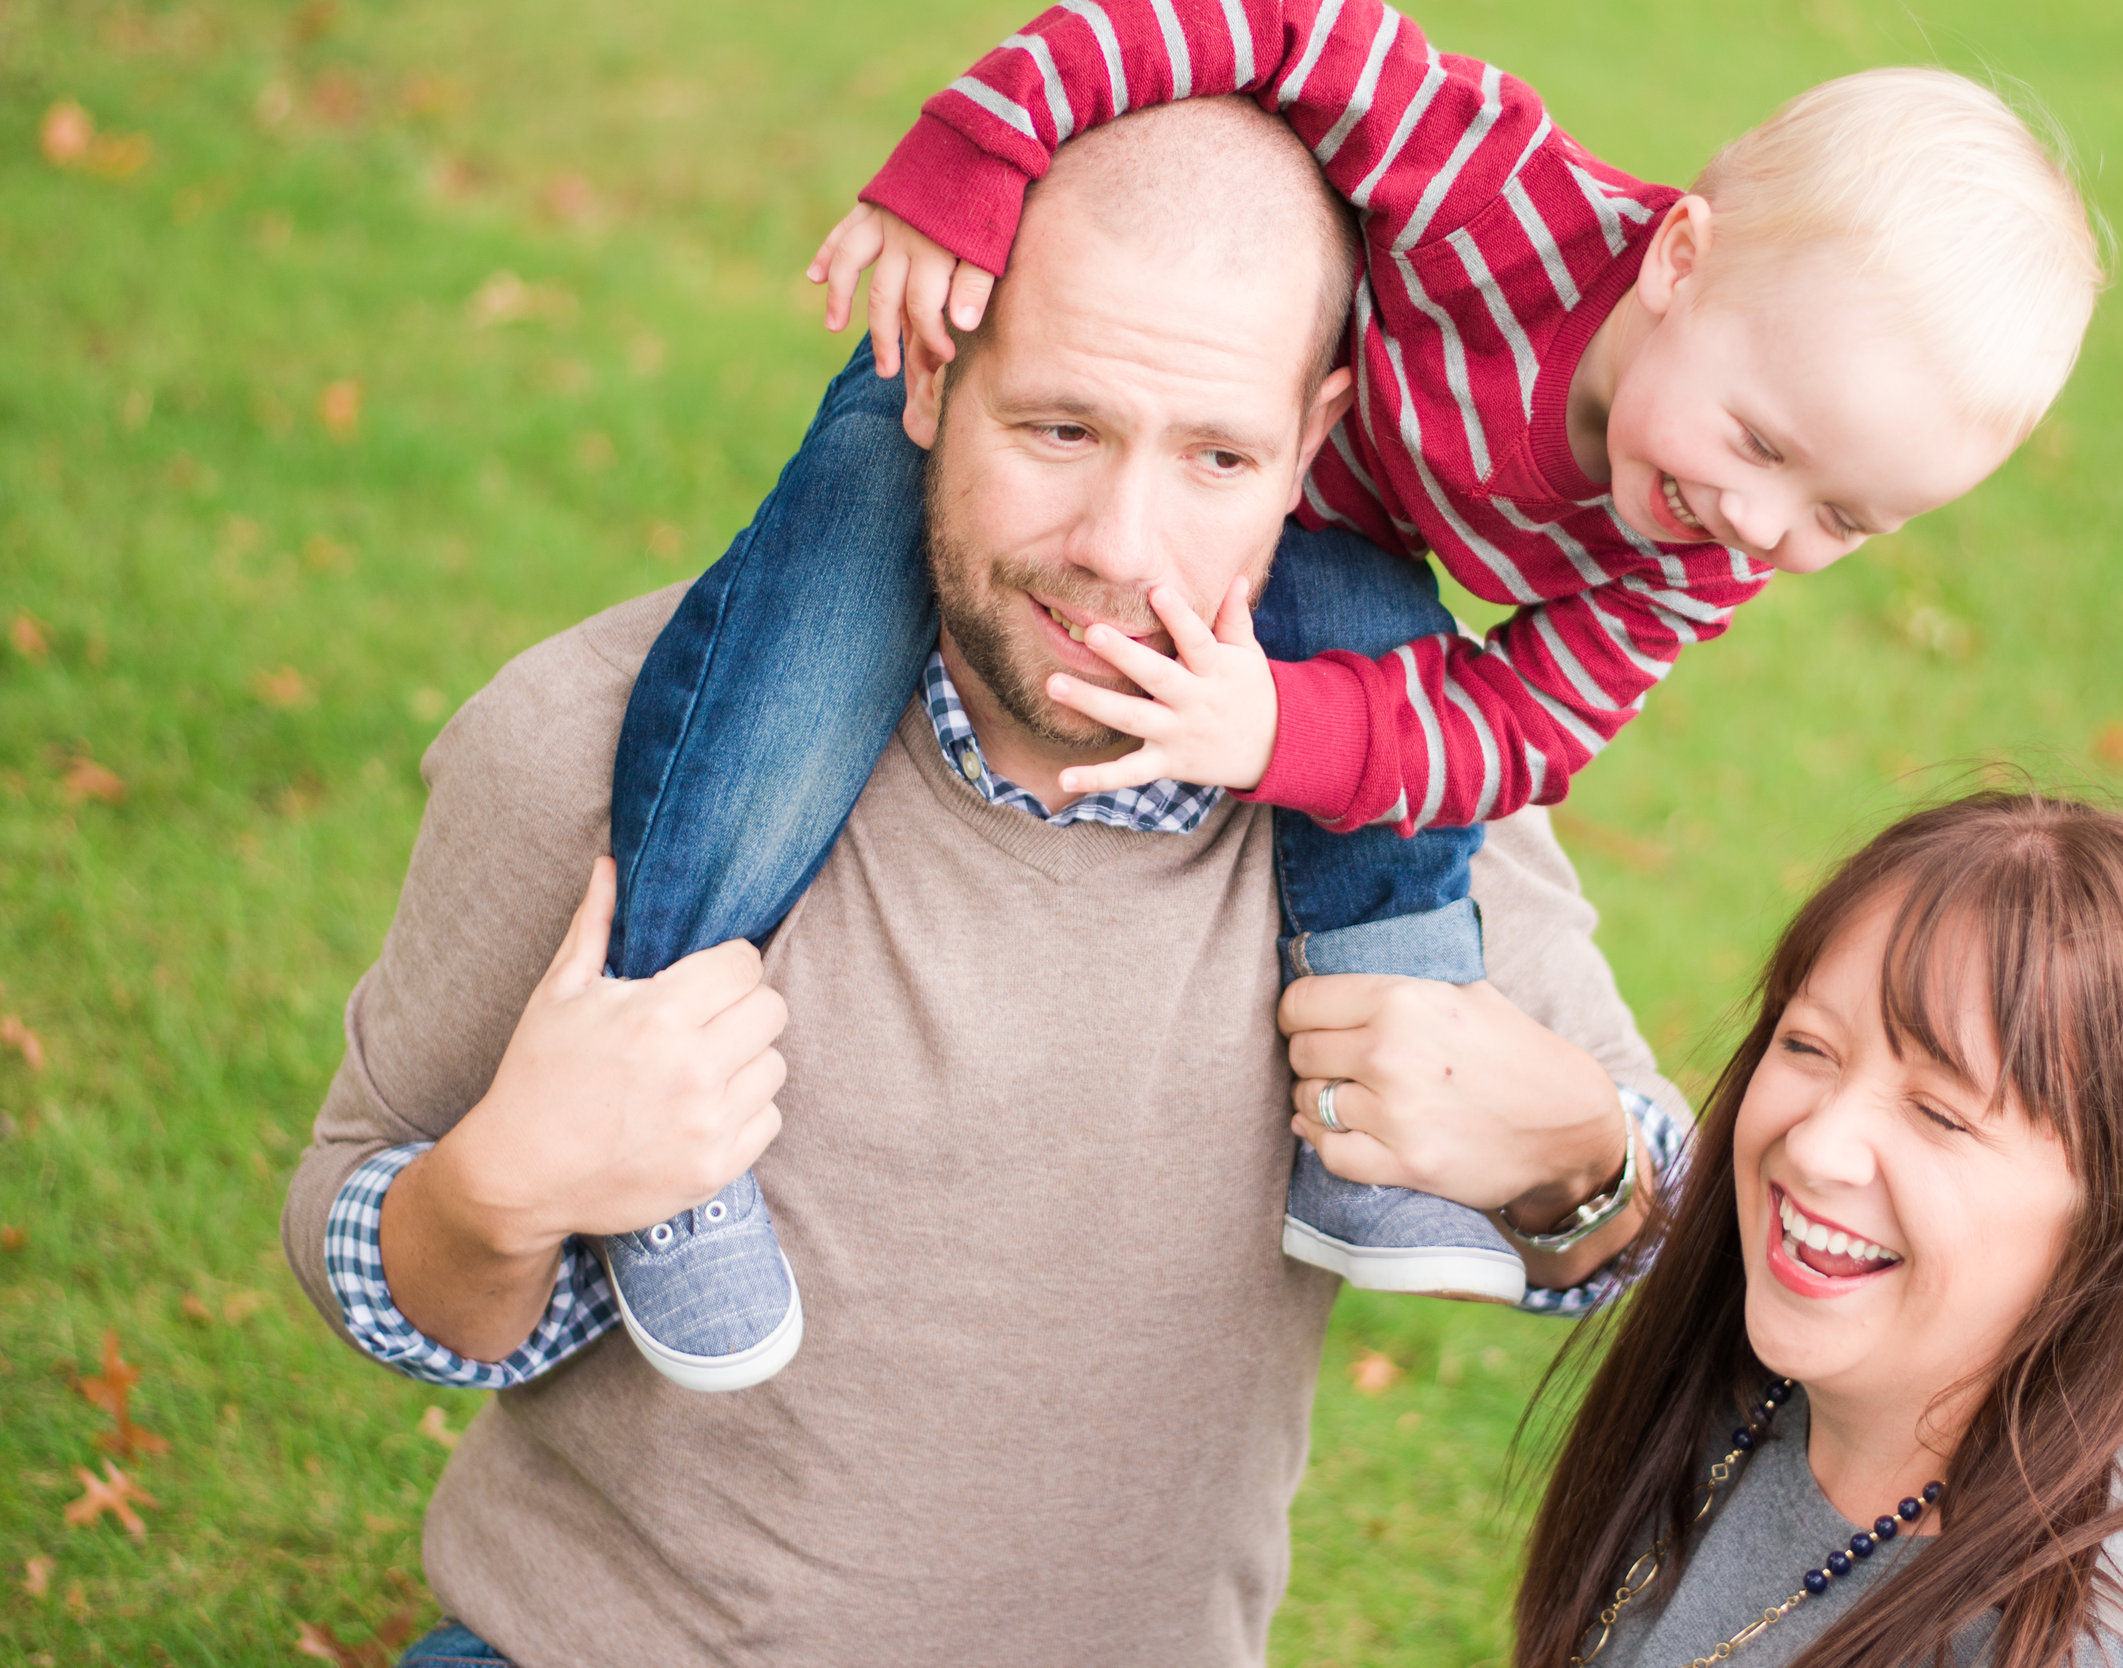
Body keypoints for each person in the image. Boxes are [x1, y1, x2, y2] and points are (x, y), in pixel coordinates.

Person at [283, 97, 1687, 1667]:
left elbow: (1662, 1241)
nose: (1119, 546)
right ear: (936, 373)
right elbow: (367, 1254)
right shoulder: (599, 748)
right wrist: (502, 1189)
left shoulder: (1410, 796)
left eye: (1218, 455)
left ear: (1313, 443)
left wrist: (1581, 1160)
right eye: (1060, 430)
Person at [592, 0, 2110, 1384]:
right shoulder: (1492, 190)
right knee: (796, 658)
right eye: (1767, 446)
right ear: (1679, 260)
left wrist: (1278, 733)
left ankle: (1365, 1120)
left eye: (1844, 523)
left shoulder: (1701, 552)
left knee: (1389, 682)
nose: (1766, 531)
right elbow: (1245, 19)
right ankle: (656, 1063)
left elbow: (1523, 730)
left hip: (1304, 506)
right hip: (1097, 375)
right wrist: (976, 151)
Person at [1452, 793, 2123, 1667]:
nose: (1817, 1145)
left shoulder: (2100, 1640)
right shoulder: (1738, 1381)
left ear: (2120, 1212)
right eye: (1808, 1047)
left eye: (1940, 1113)